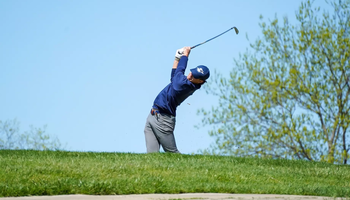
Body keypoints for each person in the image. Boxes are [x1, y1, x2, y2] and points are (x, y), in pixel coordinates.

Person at [144, 46, 210, 153]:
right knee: (152, 155)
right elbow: (173, 77)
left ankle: (192, 169)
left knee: (173, 154)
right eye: (192, 72)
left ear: (200, 82)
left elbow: (180, 70)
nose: (190, 76)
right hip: (153, 115)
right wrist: (177, 59)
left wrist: (185, 55)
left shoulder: (185, 85)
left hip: (163, 120)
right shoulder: (182, 81)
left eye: (194, 77)